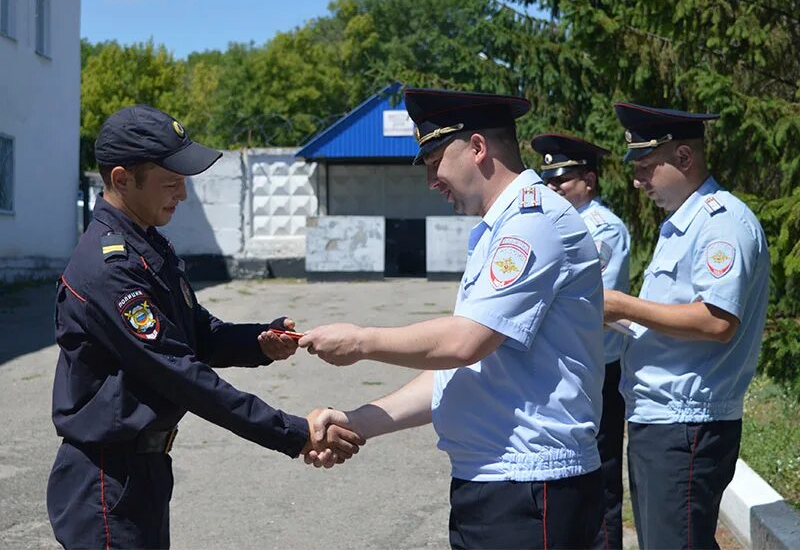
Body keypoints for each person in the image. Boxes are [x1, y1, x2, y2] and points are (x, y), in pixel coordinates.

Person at [300, 88, 606, 549]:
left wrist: (361, 341)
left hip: (531, 489)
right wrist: (358, 421)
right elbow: (462, 371)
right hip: (494, 485)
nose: (430, 180)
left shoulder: (532, 222)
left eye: (433, 160)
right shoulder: (498, 229)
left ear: (478, 148)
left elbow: (465, 343)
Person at [46, 105, 362, 549]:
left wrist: (259, 341)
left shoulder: (148, 245)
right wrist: (291, 432)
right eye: (171, 183)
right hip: (107, 481)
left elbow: (195, 333)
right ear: (121, 180)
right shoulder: (110, 269)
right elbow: (180, 373)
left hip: (142, 473)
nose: (183, 195)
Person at [603, 102, 770, 549]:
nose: (638, 181)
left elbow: (717, 321)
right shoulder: (685, 225)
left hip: (686, 424)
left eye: (645, 167)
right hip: (663, 420)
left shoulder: (721, 224)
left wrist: (622, 304)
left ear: (683, 158)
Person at [532, 133, 630, 550]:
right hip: (569, 365)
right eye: (549, 181)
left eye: (563, 181)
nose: (554, 188)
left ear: (588, 181)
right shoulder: (556, 223)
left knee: (601, 474)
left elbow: (596, 302)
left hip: (599, 370)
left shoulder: (602, 227)